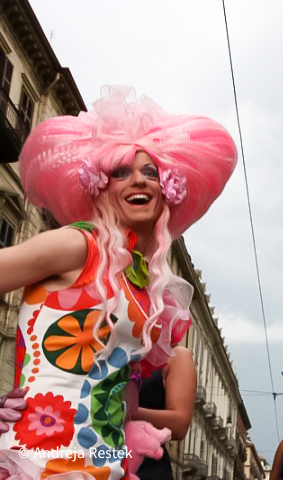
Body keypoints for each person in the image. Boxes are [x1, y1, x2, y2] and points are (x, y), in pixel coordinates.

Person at [0, 86, 236, 479]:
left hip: (105, 463)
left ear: (167, 190)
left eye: (150, 172)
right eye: (121, 172)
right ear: (101, 186)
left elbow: (123, 392)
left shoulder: (142, 284)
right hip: (41, 459)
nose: (138, 181)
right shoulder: (79, 245)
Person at [134, 345, 197, 479]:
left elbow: (179, 425)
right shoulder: (98, 350)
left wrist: (124, 411)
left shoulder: (175, 356)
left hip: (147, 470)